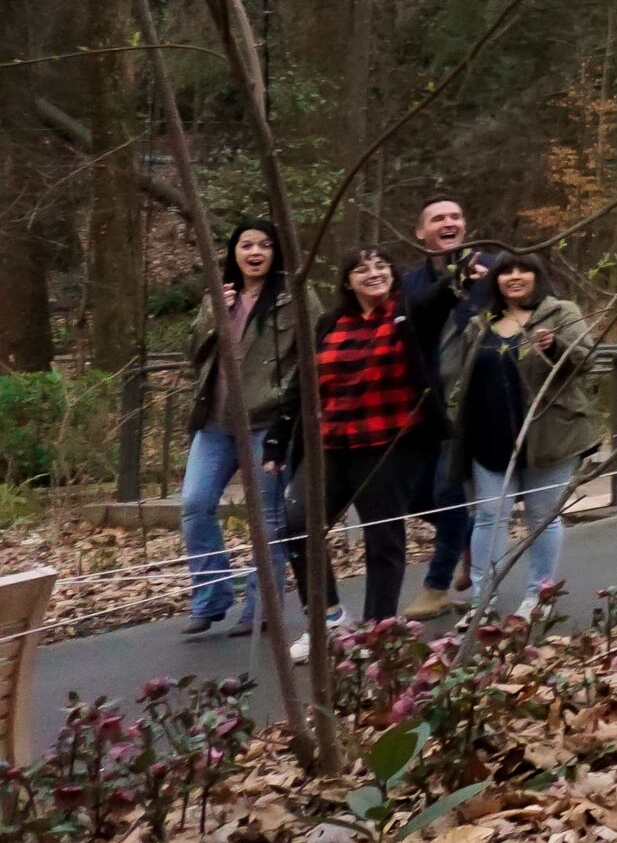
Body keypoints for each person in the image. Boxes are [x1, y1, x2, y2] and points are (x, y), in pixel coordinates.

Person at [257, 248, 448, 627]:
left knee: (383, 536)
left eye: (381, 266)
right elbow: (303, 383)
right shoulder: (331, 322)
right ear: (347, 281)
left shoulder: (409, 313)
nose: (374, 273)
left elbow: (444, 295)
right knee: (298, 525)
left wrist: (462, 276)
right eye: (362, 269)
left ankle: (379, 628)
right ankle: (327, 616)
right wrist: (277, 438)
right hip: (332, 442)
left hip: (390, 442)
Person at [442, 250, 597, 613]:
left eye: (523, 270)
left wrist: (555, 346)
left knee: (542, 518)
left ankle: (537, 596)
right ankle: (483, 599)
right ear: (494, 280)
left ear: (538, 276)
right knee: (488, 518)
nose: (514, 276)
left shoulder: (561, 313)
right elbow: (462, 380)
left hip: (550, 435)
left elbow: (587, 361)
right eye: (505, 271)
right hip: (488, 437)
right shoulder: (481, 323)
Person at [176, 221, 286, 636]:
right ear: (233, 253)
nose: (255, 252)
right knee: (194, 504)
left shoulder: (293, 297)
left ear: (276, 252)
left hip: (267, 421)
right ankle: (211, 597)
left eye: (264, 244)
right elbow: (194, 354)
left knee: (268, 518)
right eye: (246, 245)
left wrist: (290, 412)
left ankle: (263, 609)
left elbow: (310, 353)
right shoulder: (218, 296)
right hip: (216, 423)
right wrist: (212, 317)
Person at [397, 196, 487, 617]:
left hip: (473, 402)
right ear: (421, 232)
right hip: (425, 405)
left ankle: (435, 588)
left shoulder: (494, 270)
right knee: (414, 495)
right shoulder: (408, 284)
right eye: (437, 218)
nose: (448, 222)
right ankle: (468, 535)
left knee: (446, 491)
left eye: (456, 216)